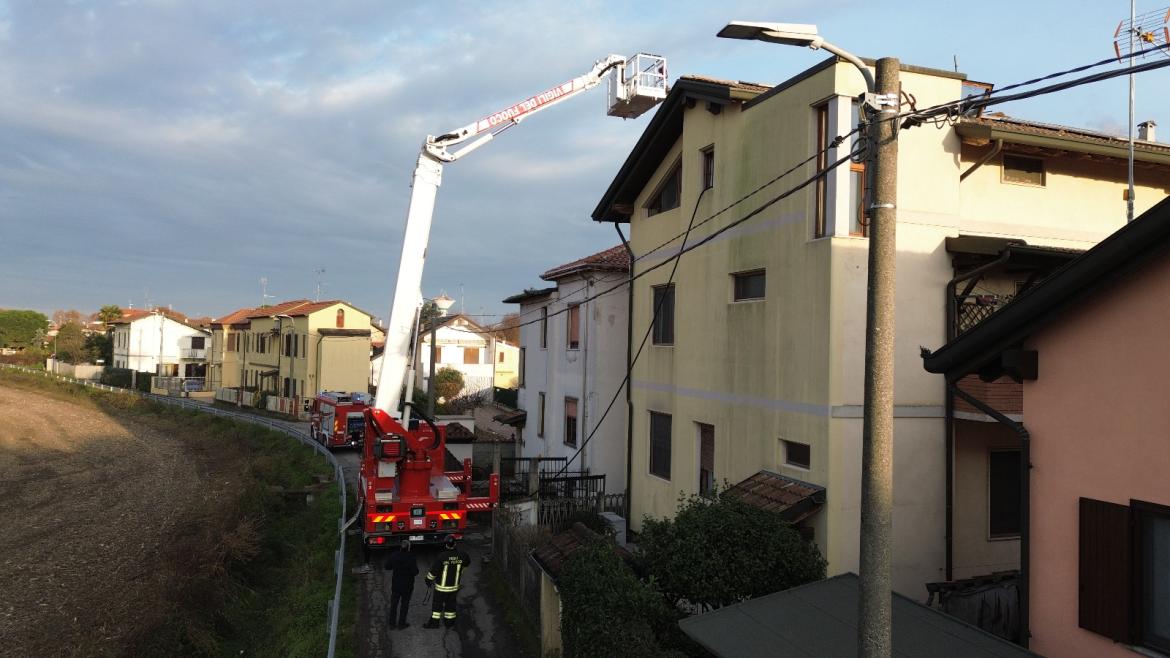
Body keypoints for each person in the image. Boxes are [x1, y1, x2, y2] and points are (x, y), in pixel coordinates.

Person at [424, 536, 470, 628]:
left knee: (437, 605)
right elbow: (467, 563)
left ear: (445, 545)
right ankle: (449, 623)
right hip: (454, 587)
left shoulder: (442, 556)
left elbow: (434, 571)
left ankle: (434, 624)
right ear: (455, 544)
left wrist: (428, 580)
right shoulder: (462, 555)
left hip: (441, 588)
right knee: (451, 605)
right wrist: (460, 571)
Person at [384, 539, 419, 629]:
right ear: (408, 548)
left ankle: (392, 624)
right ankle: (401, 624)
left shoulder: (394, 555)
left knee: (394, 604)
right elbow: (415, 572)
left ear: (401, 547)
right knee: (404, 605)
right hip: (407, 586)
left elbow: (387, 567)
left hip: (396, 585)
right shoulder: (411, 558)